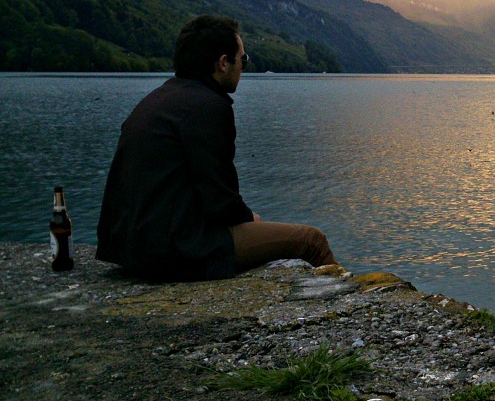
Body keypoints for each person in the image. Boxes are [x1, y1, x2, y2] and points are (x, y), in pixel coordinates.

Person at [96, 15, 337, 281]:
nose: (244, 68)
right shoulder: (208, 107)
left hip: (128, 247)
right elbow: (220, 202)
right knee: (312, 241)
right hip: (175, 252)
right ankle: (349, 307)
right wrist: (250, 219)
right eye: (242, 60)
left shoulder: (157, 100)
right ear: (223, 63)